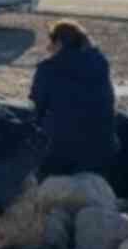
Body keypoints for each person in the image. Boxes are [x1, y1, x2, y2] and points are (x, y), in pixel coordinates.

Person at [30, 20, 119, 178]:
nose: (48, 48)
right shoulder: (100, 62)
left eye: (50, 42)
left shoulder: (48, 68)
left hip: (62, 152)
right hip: (103, 148)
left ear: (58, 43)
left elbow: (36, 109)